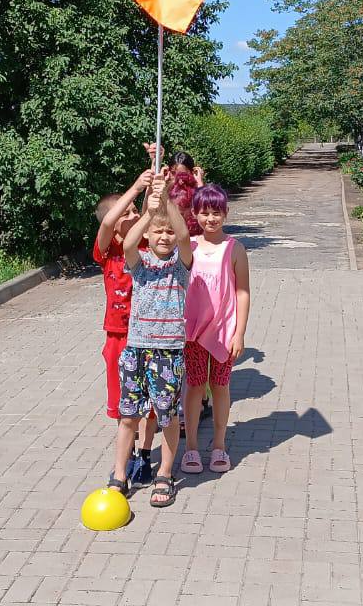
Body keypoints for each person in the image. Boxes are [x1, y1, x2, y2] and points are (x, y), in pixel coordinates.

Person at [108, 169, 193, 508]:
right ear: (148, 234)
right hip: (136, 350)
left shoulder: (181, 266)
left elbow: (184, 235)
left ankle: (165, 473)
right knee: (128, 415)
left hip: (168, 352)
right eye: (158, 231)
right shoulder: (140, 263)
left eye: (168, 231)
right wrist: (149, 213)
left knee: (167, 416)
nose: (164, 237)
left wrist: (167, 200)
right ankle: (119, 474)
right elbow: (128, 243)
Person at [93, 171, 159, 485]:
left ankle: (145, 454)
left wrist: (151, 178)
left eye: (134, 211)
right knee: (124, 402)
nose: (133, 215)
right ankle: (127, 452)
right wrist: (135, 188)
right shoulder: (107, 251)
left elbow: (150, 212)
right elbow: (108, 223)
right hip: (118, 337)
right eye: (127, 212)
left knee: (150, 401)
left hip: (147, 336)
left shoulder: (143, 245)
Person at [180, 184, 251, 475]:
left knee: (220, 386)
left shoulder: (235, 249)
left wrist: (239, 332)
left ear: (226, 213)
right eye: (204, 213)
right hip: (194, 333)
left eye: (216, 212)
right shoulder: (189, 246)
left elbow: (243, 292)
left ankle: (219, 444)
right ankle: (191, 447)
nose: (210, 218)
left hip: (224, 332)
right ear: (194, 214)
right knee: (195, 386)